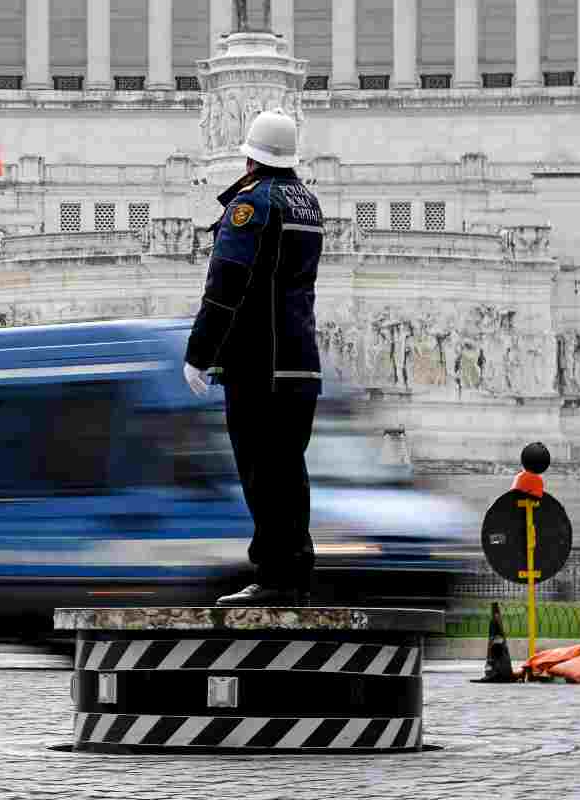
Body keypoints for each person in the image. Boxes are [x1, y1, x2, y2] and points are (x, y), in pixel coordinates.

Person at [183, 108, 324, 606]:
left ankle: (272, 576)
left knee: (262, 470)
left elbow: (226, 285)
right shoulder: (308, 203)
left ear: (249, 157)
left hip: (258, 363)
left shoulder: (251, 205)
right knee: (290, 469)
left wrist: (198, 353)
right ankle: (295, 573)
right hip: (301, 363)